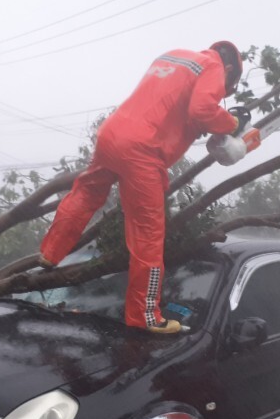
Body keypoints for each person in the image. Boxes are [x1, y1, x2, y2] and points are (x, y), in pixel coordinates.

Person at [39, 41, 252, 334]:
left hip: (112, 133)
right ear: (229, 69)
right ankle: (144, 315)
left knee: (87, 193)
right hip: (142, 150)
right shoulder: (214, 66)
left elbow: (170, 105)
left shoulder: (176, 55)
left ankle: (51, 252)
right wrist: (230, 122)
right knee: (148, 234)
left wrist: (200, 124)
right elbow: (203, 108)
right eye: (227, 87)